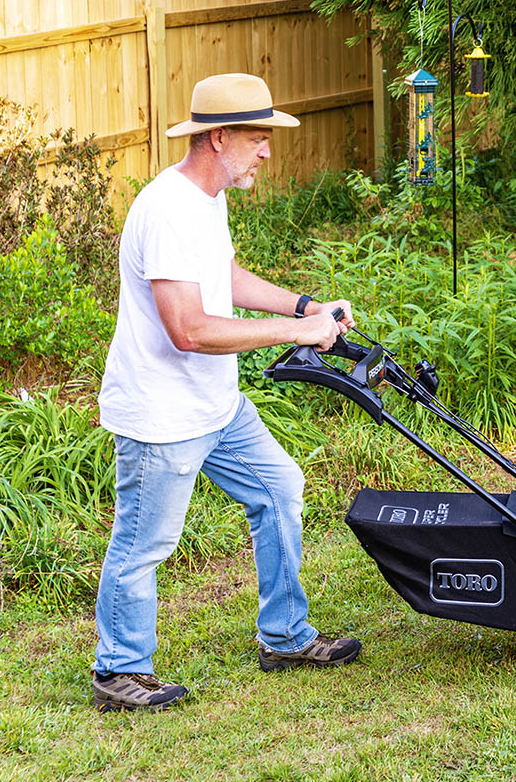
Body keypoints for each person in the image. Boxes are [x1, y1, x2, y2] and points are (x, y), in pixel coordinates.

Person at [92, 73, 359, 713]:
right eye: (255, 137)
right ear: (218, 138)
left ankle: (286, 637)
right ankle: (119, 670)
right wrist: (296, 331)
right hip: (164, 414)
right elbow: (188, 328)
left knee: (280, 489)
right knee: (145, 541)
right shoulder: (165, 210)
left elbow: (223, 276)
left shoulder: (206, 201)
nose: (266, 151)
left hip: (218, 406)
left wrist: (305, 304)